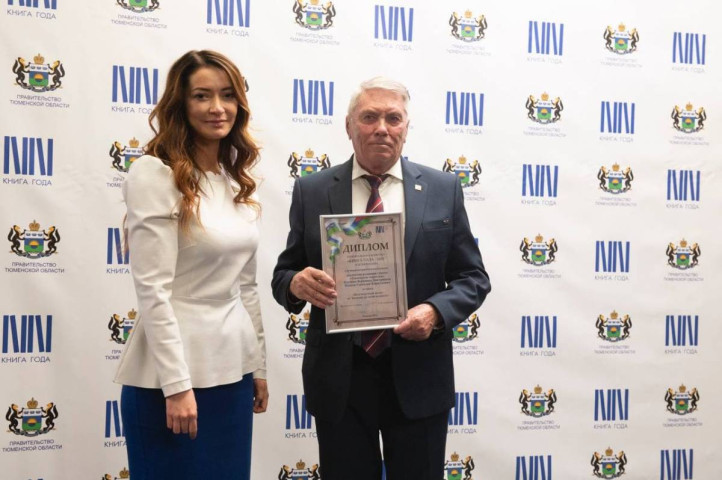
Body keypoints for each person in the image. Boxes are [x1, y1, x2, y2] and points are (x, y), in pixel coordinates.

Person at [272, 77, 490, 479]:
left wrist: (435, 312)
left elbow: (472, 277)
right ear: (349, 126)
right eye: (369, 117)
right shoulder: (312, 190)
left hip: (419, 373)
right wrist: (295, 284)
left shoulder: (443, 188)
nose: (382, 128)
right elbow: (284, 273)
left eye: (393, 118)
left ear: (406, 127)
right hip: (341, 378)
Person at [114, 50, 267, 479]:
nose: (217, 108)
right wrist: (177, 386)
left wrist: (258, 367)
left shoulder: (236, 182)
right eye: (202, 96)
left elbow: (247, 287)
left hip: (233, 374)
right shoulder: (154, 174)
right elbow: (153, 290)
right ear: (180, 104)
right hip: (171, 382)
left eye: (227, 95)